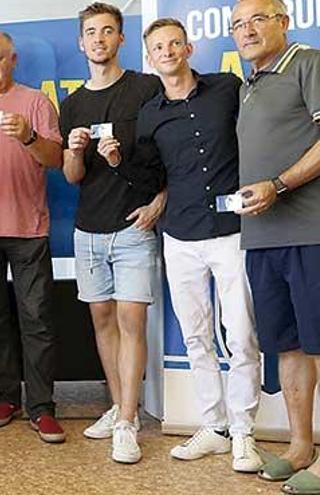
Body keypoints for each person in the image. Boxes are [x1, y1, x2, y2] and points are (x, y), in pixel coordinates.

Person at [137, 17, 261, 472]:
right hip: (180, 235)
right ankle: (214, 427)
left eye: (174, 43)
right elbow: (151, 175)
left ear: (188, 49)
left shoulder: (226, 88)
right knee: (196, 337)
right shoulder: (149, 114)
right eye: (158, 47)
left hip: (232, 232)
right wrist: (117, 163)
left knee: (242, 334)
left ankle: (244, 432)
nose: (167, 52)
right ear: (150, 58)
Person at [59, 2, 165, 464]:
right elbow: (70, 175)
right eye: (90, 32)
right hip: (89, 228)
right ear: (81, 43)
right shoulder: (73, 102)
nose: (99, 39)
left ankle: (126, 421)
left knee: (131, 321)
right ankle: (123, 407)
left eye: (107, 31)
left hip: (133, 224)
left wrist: (160, 201)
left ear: (122, 38)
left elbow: (170, 152)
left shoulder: (145, 88)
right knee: (102, 319)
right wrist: (76, 151)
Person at [0, 30, 66, 443]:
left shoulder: (36, 102)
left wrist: (29, 136)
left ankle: (41, 407)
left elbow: (56, 161)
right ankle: (6, 397)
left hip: (28, 229)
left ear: (13, 59)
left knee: (36, 319)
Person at [231, 0, 320, 491]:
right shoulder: (250, 85)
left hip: (311, 231)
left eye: (258, 19)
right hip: (262, 239)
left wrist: (279, 186)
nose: (247, 31)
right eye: (238, 25)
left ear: (283, 22)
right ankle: (301, 446)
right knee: (286, 345)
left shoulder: (308, 62)